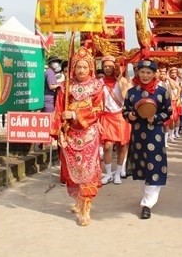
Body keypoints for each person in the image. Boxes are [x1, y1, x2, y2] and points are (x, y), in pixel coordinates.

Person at [50, 46, 105, 226]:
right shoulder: (65, 87)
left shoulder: (97, 87)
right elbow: (58, 111)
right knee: (73, 170)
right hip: (71, 135)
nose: (81, 70)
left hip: (89, 134)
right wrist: (59, 132)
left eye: (84, 67)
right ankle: (78, 200)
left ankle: (85, 209)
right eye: (78, 66)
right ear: (73, 67)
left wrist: (74, 114)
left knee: (88, 171)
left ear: (90, 68)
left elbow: (98, 110)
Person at [123, 60, 172, 220]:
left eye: (148, 72)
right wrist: (129, 115)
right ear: (138, 72)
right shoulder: (131, 92)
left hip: (155, 134)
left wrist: (155, 118)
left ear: (154, 74)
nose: (145, 75)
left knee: (154, 165)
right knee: (142, 166)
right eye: (142, 72)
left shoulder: (162, 92)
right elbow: (125, 110)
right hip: (138, 134)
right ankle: (145, 197)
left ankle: (147, 204)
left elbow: (168, 112)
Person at [99, 55, 130, 185]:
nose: (107, 68)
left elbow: (125, 98)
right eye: (105, 66)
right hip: (106, 116)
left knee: (121, 146)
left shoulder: (122, 80)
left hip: (120, 116)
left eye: (110, 66)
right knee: (107, 146)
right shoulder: (99, 82)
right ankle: (108, 174)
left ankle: (117, 173)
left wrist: (120, 81)